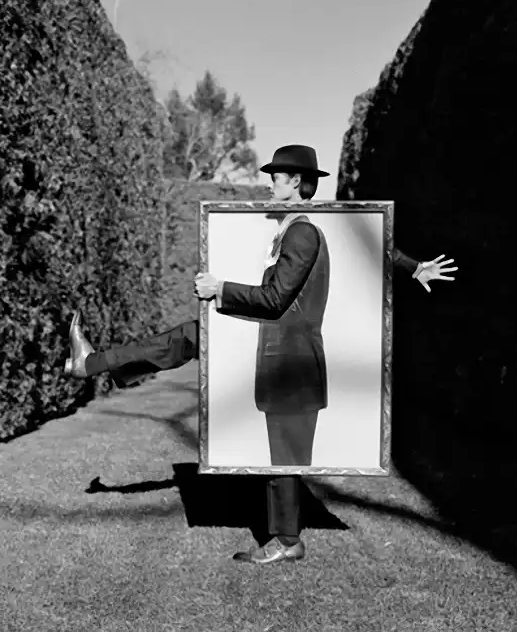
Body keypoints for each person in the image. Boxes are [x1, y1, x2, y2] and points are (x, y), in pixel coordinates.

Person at [65, 144, 458, 565]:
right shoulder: (299, 229)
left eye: (275, 178)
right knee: (191, 338)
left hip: (293, 365)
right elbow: (365, 241)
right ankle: (93, 363)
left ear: (295, 182)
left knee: (284, 457)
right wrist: (413, 266)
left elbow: (274, 299)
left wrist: (219, 288)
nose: (268, 185)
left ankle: (287, 541)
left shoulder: (302, 232)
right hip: (282, 355)